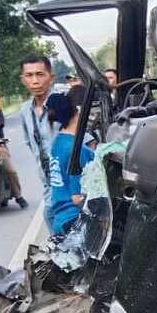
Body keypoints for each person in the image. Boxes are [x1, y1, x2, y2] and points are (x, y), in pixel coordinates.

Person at [46, 86, 95, 236]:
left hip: (59, 218)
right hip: (75, 222)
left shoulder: (58, 142)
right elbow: (77, 198)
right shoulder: (79, 150)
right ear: (79, 112)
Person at [18, 56, 59, 214]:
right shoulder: (25, 110)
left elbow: (86, 143)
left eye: (40, 74)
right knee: (50, 217)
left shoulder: (64, 103)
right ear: (23, 80)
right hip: (48, 180)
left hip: (71, 180)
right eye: (29, 75)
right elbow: (30, 143)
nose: (35, 81)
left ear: (51, 77)